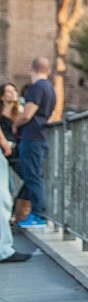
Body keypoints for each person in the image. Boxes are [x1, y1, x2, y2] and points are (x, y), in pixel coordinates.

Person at [13, 57, 57, 229]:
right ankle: (32, 213)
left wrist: (16, 125)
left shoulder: (36, 88)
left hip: (32, 138)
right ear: (48, 70)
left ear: (31, 68)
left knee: (33, 176)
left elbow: (27, 114)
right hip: (42, 137)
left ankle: (38, 215)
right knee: (35, 176)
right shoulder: (51, 89)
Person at [0, 83, 32, 263]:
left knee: (5, 196)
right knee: (3, 199)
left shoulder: (15, 109)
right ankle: (4, 250)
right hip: (4, 152)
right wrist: (3, 141)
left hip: (11, 154)